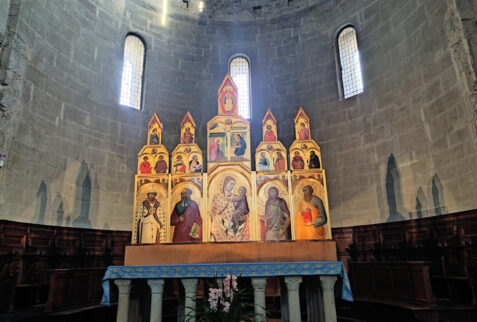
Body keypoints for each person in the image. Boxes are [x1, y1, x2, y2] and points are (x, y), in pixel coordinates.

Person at [210, 176, 249, 241]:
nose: (232, 186)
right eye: (230, 183)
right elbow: (214, 212)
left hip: (235, 223)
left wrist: (244, 218)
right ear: (225, 183)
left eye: (233, 184)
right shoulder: (218, 197)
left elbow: (244, 210)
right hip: (220, 224)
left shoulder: (236, 197)